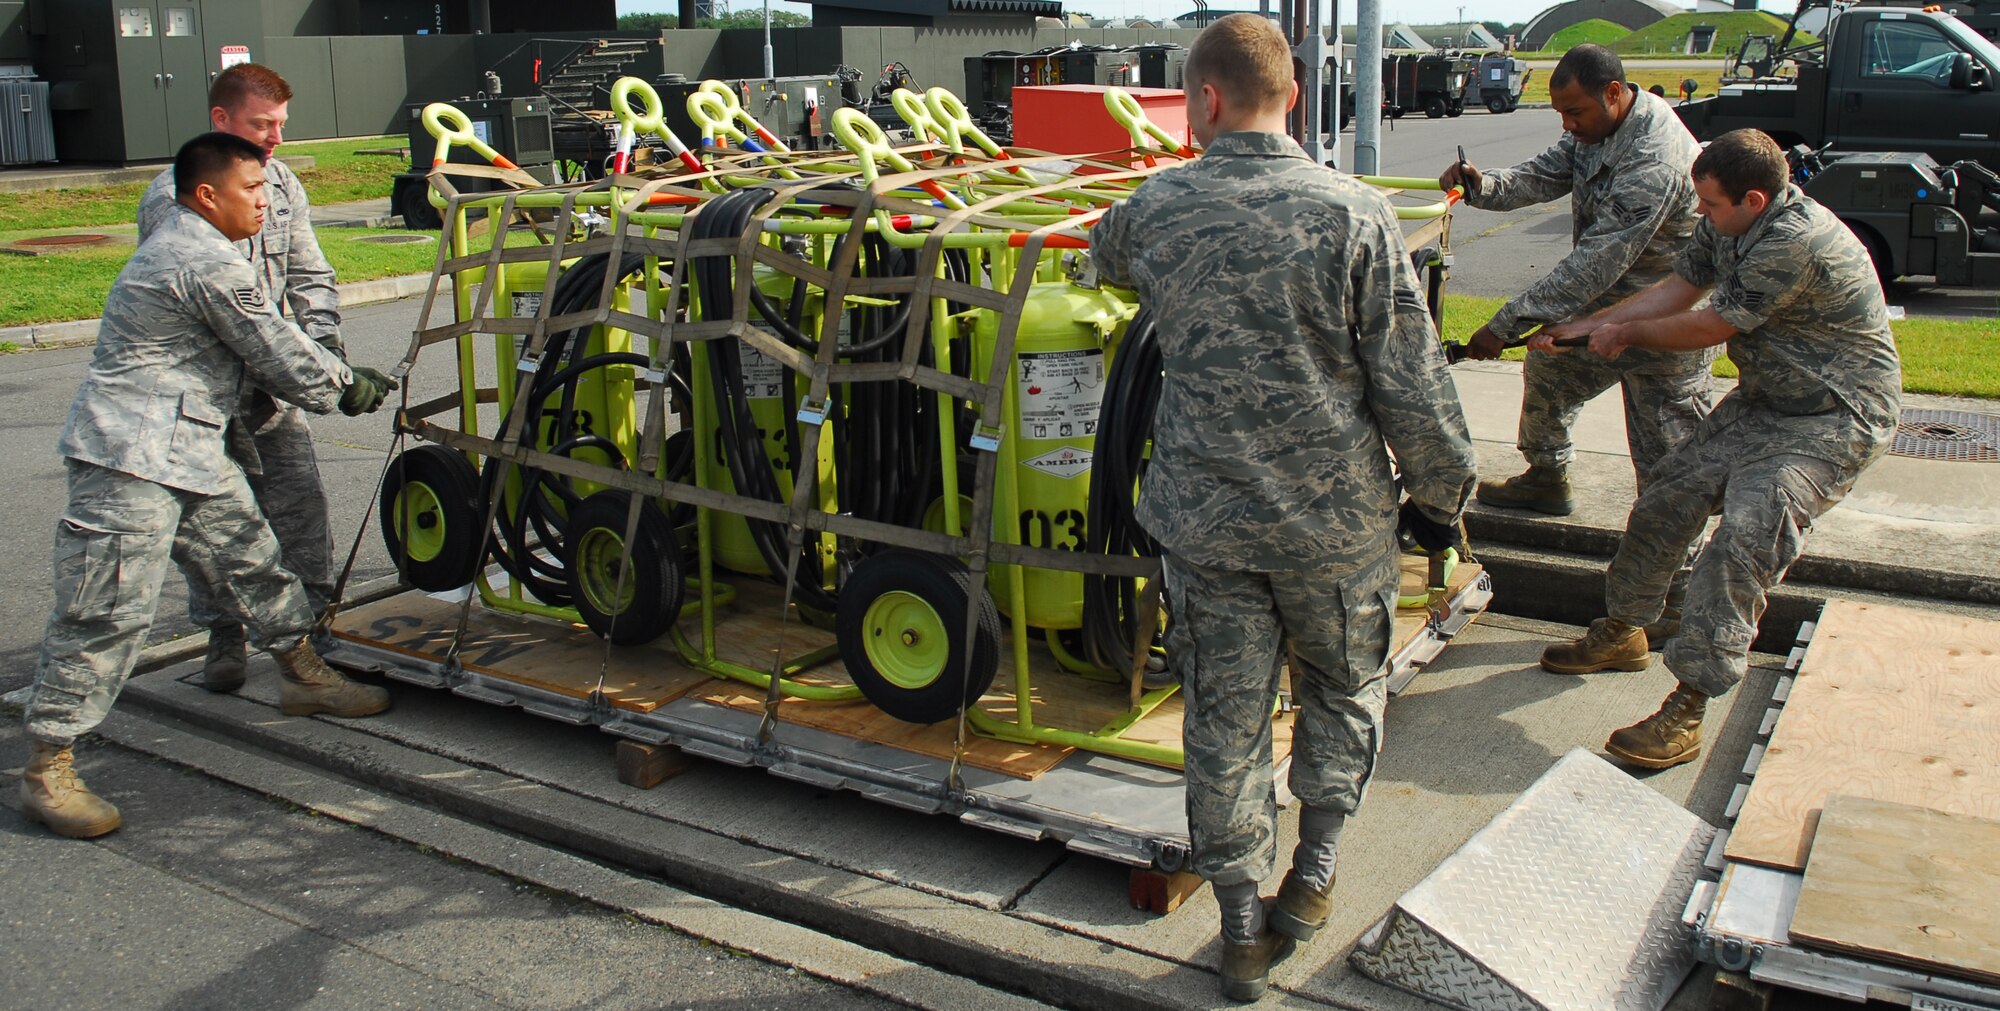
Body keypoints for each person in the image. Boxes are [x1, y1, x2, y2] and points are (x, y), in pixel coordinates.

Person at [1090, 14, 1476, 1002]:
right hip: (1332, 526)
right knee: (1340, 692)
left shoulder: (1156, 206)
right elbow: (1409, 375)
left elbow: (1106, 262)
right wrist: (1438, 500)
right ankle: (1312, 874)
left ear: (1204, 99)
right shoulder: (1351, 215)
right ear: (1292, 94)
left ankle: (1237, 921)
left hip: (1204, 525)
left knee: (1221, 723)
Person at [19, 133, 400, 840]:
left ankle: (302, 673)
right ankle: (49, 760)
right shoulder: (198, 260)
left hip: (189, 445)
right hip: (129, 456)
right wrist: (346, 386)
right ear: (206, 196)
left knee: (252, 558)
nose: (266, 200)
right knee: (108, 606)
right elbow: (273, 346)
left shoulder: (208, 251)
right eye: (252, 190)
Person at [1534, 129, 1901, 769]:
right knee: (1665, 501)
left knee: (1746, 536)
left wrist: (1624, 333)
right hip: (1766, 401)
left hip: (1832, 417)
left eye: (1709, 205)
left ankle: (1690, 703)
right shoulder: (1730, 224)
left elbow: (1710, 324)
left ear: (1753, 198)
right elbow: (1680, 288)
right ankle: (1626, 629)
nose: (1699, 215)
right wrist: (1590, 325)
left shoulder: (1794, 241)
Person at [137, 64, 348, 694]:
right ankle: (225, 633)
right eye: (263, 124)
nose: (277, 137)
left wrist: (326, 344)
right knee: (213, 530)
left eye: (281, 123)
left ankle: (312, 635)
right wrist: (319, 377)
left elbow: (309, 274)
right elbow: (232, 316)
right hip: (204, 395)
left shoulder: (281, 185)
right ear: (221, 121)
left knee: (299, 506)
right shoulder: (176, 197)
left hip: (274, 388)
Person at [1439, 46, 1712, 527]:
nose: (1567, 124)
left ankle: (1673, 583)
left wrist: (1505, 325)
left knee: (1667, 470)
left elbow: (1595, 264)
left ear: (1613, 93)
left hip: (1661, 325)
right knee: (1549, 372)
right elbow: (1542, 174)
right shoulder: (1598, 128)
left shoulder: (1656, 158)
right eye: (1560, 112)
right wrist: (1481, 185)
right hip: (1600, 312)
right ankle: (1547, 478)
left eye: (1574, 111)